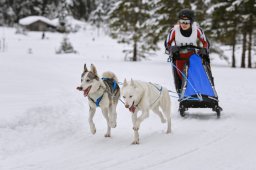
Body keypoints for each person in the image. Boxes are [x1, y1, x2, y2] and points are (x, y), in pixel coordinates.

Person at [165, 8, 210, 93]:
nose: (183, 24)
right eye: (181, 21)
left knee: (194, 77)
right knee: (182, 78)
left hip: (192, 57)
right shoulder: (174, 30)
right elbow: (167, 44)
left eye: (186, 22)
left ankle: (197, 94)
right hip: (179, 58)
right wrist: (171, 48)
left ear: (191, 22)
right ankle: (183, 96)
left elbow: (206, 42)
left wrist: (204, 50)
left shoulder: (197, 30)